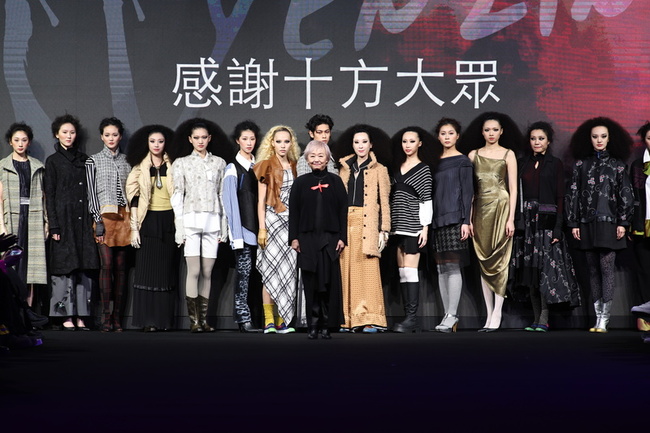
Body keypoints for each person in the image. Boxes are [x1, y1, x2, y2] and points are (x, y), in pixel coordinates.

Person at [511, 121, 580, 332]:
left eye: (541, 138)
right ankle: (536, 319)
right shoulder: (522, 163)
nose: (536, 142)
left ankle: (543, 319)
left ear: (548, 141)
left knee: (544, 271)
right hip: (526, 222)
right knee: (530, 272)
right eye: (533, 139)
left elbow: (560, 196)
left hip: (547, 220)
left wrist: (558, 227)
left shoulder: (555, 163)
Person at [566, 117, 633, 333]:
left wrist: (623, 222)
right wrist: (574, 222)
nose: (599, 140)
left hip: (609, 223)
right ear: (589, 139)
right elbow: (573, 194)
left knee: (606, 269)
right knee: (593, 270)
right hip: (586, 223)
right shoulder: (581, 165)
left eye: (603, 136)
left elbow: (625, 194)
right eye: (595, 137)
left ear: (610, 138)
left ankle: (605, 319)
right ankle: (597, 318)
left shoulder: (618, 166)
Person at [461, 112, 521, 332]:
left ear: (501, 131)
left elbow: (513, 189)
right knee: (483, 262)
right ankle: (489, 314)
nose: (491, 133)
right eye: (487, 130)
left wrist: (511, 218)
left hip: (501, 208)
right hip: (480, 211)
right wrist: (468, 219)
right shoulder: (473, 155)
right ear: (482, 132)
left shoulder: (508, 154)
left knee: (500, 262)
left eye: (495, 130)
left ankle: (498, 312)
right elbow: (469, 191)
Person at [170, 118, 229, 333]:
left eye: (204, 137)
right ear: (190, 139)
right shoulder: (181, 163)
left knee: (207, 271)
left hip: (212, 220)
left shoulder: (219, 163)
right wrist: (179, 225)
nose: (200, 141)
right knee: (193, 270)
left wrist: (224, 224)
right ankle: (193, 321)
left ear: (210, 138)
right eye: (196, 137)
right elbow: (178, 194)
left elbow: (222, 195)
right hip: (191, 220)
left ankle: (203, 320)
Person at [44, 114, 99, 331]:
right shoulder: (53, 161)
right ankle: (65, 315)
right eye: (64, 132)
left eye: (72, 132)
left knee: (84, 267)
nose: (69, 136)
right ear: (56, 135)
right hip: (63, 221)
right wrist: (54, 225)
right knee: (64, 268)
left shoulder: (85, 159)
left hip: (83, 220)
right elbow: (50, 194)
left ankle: (82, 316)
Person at [335, 124, 392, 333]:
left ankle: (370, 319)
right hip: (345, 223)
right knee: (345, 271)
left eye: (364, 142)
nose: (360, 146)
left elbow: (384, 202)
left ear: (371, 145)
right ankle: (347, 319)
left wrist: (384, 230)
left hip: (367, 223)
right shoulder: (344, 168)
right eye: (357, 142)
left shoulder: (380, 169)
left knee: (367, 272)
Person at [289, 140, 347, 339]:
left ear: (327, 159)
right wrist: (294, 238)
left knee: (328, 284)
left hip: (330, 239)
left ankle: (326, 325)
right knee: (311, 283)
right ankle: (313, 324)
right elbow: (294, 213)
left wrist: (342, 238)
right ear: (307, 159)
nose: (316, 159)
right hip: (307, 239)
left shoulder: (336, 181)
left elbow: (343, 211)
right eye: (312, 156)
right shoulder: (300, 183)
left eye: (320, 156)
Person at [126, 124, 178, 332]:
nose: (156, 145)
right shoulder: (140, 167)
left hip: (169, 221)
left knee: (165, 273)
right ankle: (147, 321)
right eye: (152, 141)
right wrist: (134, 228)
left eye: (160, 141)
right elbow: (133, 197)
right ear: (146, 143)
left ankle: (163, 321)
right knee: (146, 272)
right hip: (147, 221)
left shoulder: (174, 165)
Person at [389, 126, 438, 333]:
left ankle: (411, 319)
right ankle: (408, 318)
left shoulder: (423, 169)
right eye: (404, 141)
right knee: (402, 272)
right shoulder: (396, 167)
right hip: (396, 227)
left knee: (410, 271)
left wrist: (424, 227)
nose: (407, 145)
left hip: (413, 226)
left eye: (411, 141)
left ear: (420, 143)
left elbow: (426, 199)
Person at [85, 117, 131, 332]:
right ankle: (105, 316)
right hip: (104, 217)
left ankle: (117, 317)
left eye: (115, 135)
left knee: (121, 269)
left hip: (124, 217)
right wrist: (98, 220)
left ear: (120, 136)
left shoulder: (128, 160)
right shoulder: (92, 161)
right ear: (101, 137)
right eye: (107, 135)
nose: (111, 138)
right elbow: (91, 194)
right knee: (107, 265)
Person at [253, 125, 300, 334]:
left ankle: (282, 321)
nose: (282, 145)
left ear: (291, 144)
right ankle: (269, 321)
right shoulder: (265, 166)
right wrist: (262, 228)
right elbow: (261, 201)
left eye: (286, 141)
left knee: (287, 273)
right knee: (270, 271)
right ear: (272, 143)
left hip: (291, 224)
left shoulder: (295, 166)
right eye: (279, 141)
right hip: (272, 222)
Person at [431, 118, 473, 333]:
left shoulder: (463, 161)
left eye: (450, 133)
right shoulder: (434, 160)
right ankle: (447, 315)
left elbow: (468, 192)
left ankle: (452, 314)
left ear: (457, 136)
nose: (447, 137)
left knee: (453, 266)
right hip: (436, 219)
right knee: (441, 267)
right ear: (438, 137)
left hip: (455, 217)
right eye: (443, 133)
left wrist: (466, 221)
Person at [0, 123, 47, 309]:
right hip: (11, 217)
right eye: (17, 140)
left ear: (29, 142)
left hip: (33, 218)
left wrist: (46, 223)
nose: (20, 144)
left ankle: (28, 312)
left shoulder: (38, 166)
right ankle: (11, 312)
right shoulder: (2, 166)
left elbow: (44, 197)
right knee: (10, 265)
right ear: (10, 142)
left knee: (31, 268)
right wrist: (1, 225)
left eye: (24, 140)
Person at [222, 120, 262, 333]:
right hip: (244, 232)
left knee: (258, 277)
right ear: (237, 140)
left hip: (261, 232)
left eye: (252, 139)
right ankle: (243, 319)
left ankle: (259, 318)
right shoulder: (232, 169)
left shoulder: (260, 166)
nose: (249, 143)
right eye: (245, 139)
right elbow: (230, 204)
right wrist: (236, 236)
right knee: (243, 277)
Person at [629, 122, 650, 315]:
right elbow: (632, 199)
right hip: (643, 225)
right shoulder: (637, 166)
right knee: (644, 271)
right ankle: (646, 320)